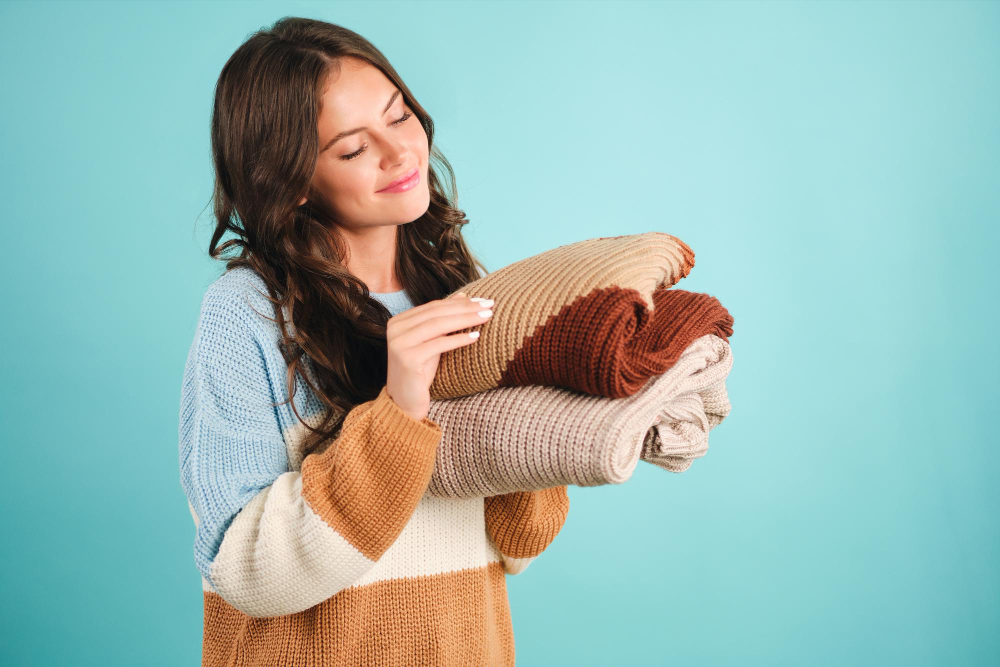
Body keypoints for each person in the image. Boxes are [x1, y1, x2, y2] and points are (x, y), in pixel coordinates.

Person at [178, 16, 570, 666]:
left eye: (400, 116)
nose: (399, 154)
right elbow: (244, 573)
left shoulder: (457, 291)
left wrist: (542, 426)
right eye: (353, 149)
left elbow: (518, 547)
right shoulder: (245, 313)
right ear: (294, 180)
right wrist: (398, 411)